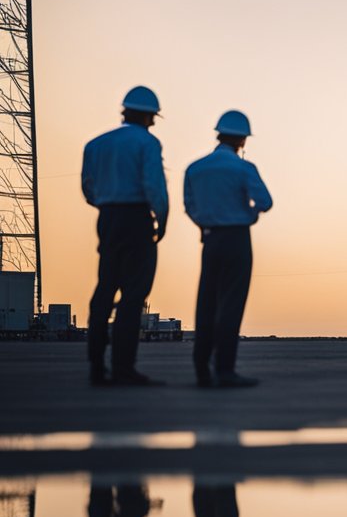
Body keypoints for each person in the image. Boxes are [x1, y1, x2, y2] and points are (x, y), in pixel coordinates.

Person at [82, 86, 169, 386]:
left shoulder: (95, 145)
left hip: (108, 218)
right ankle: (123, 367)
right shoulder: (148, 143)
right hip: (136, 220)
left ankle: (96, 365)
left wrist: (108, 204)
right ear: (147, 115)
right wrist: (162, 219)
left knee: (105, 288)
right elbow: (154, 187)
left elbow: (88, 190)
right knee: (133, 295)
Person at [184, 110, 273, 388]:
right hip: (237, 239)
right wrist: (248, 214)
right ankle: (224, 369)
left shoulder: (195, 168)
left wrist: (204, 224)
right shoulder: (244, 169)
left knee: (206, 303)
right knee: (231, 305)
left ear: (218, 134)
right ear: (243, 140)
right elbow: (265, 202)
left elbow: (190, 206)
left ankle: (201, 367)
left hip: (210, 239)